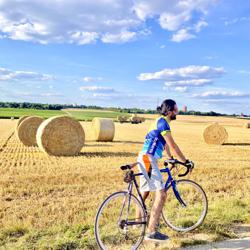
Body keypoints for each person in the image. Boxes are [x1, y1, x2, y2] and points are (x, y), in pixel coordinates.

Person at [136, 99, 193, 242]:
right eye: (175, 110)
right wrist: (185, 161)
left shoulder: (159, 122)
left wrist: (171, 158)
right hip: (148, 159)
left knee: (145, 191)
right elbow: (172, 144)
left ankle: (137, 225)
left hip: (145, 158)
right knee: (161, 194)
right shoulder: (163, 122)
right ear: (169, 111)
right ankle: (151, 231)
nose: (177, 112)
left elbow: (166, 145)